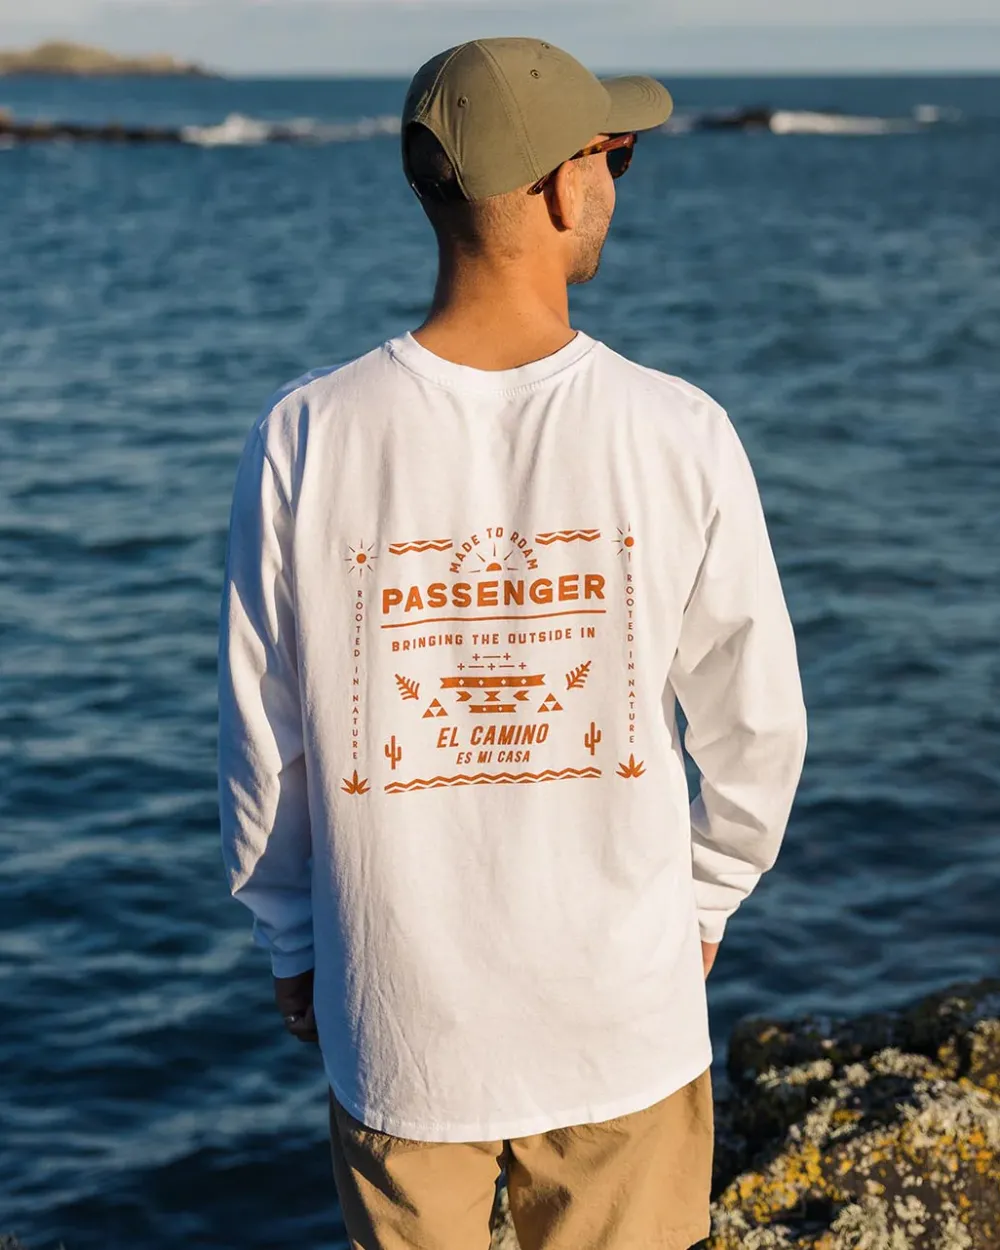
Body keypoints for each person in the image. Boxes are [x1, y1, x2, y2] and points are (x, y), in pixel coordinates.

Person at [218, 36, 807, 1250]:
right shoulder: (676, 428)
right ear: (554, 185)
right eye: (613, 156)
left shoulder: (308, 432)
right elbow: (756, 725)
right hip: (620, 1021)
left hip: (399, 1023)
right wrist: (704, 901)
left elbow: (262, 735)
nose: (614, 183)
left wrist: (292, 933)